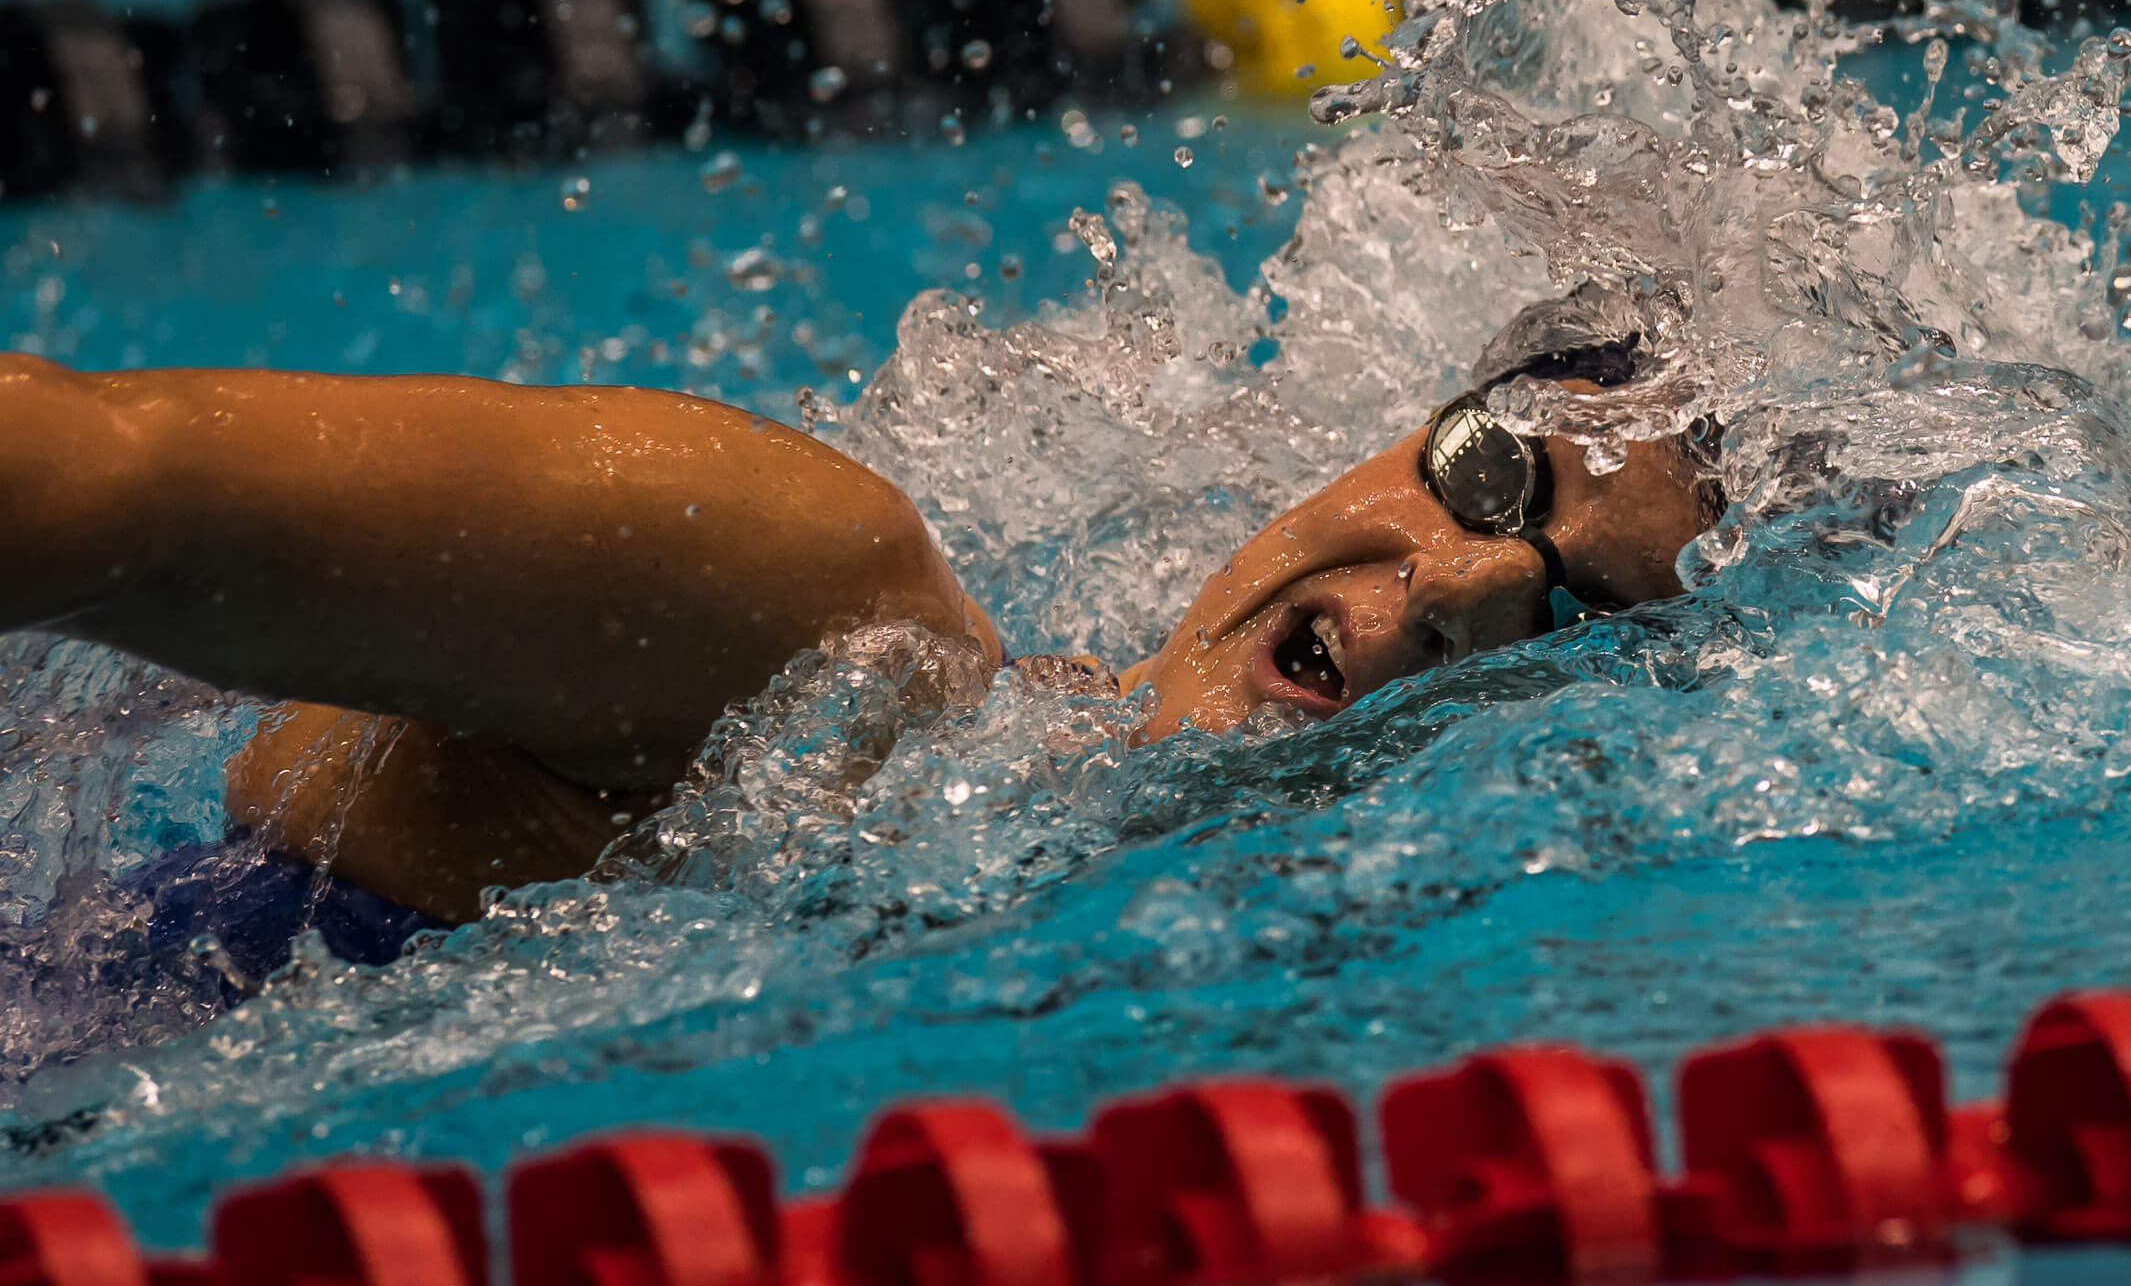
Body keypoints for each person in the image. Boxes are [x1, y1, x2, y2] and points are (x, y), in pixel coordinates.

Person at [0, 302, 1717, 982]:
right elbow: (94, 479)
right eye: (1492, 477)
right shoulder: (802, 622)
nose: (1474, 590)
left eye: (1579, 613)